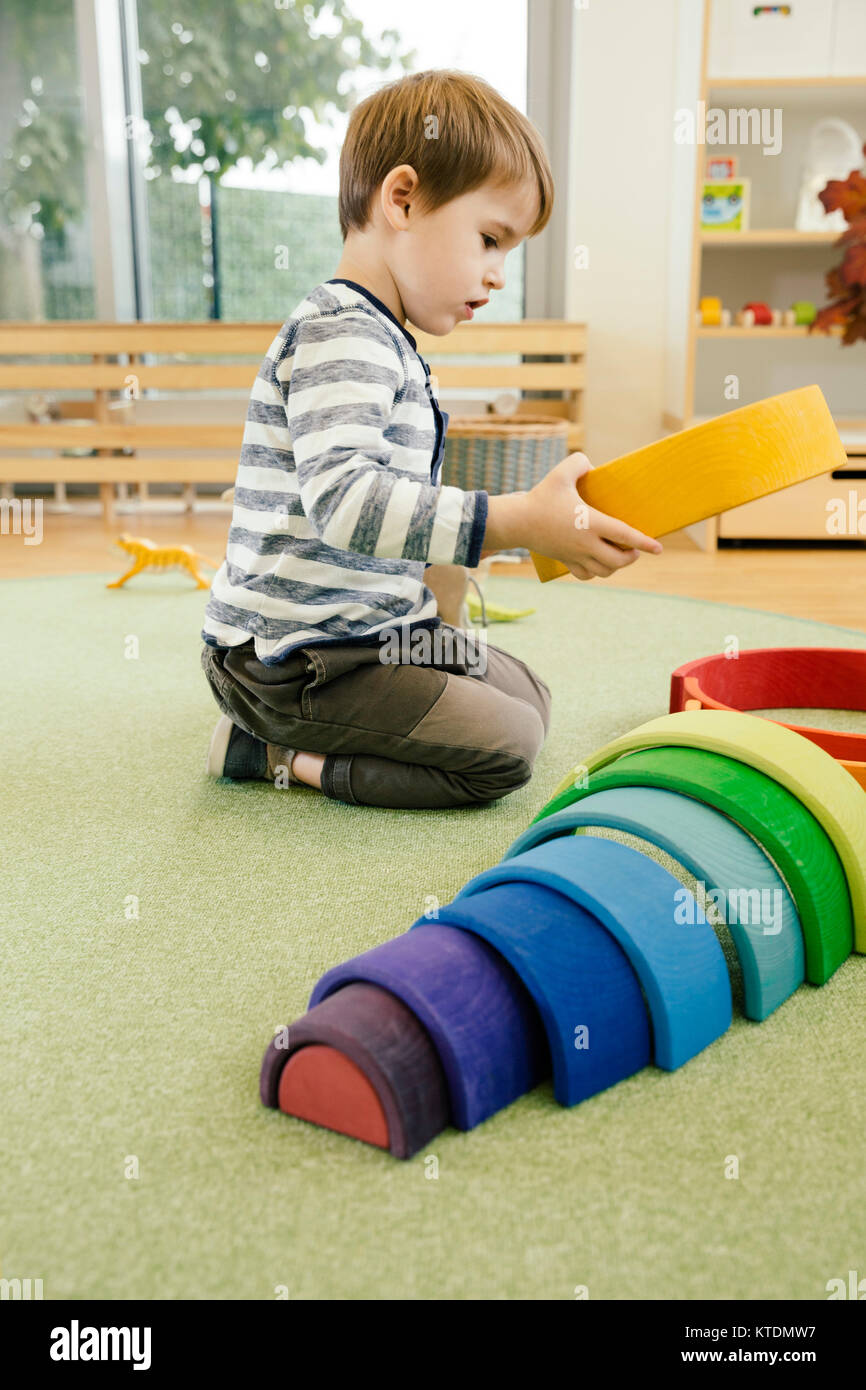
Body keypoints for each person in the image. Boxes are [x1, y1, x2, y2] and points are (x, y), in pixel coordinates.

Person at [199, 68, 662, 809]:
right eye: (489, 239)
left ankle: (324, 723)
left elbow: (401, 511)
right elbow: (347, 503)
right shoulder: (341, 332)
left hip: (374, 630)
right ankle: (271, 752)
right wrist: (509, 522)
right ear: (403, 199)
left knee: (531, 702)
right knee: (503, 752)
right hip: (298, 660)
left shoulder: (385, 337)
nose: (497, 275)